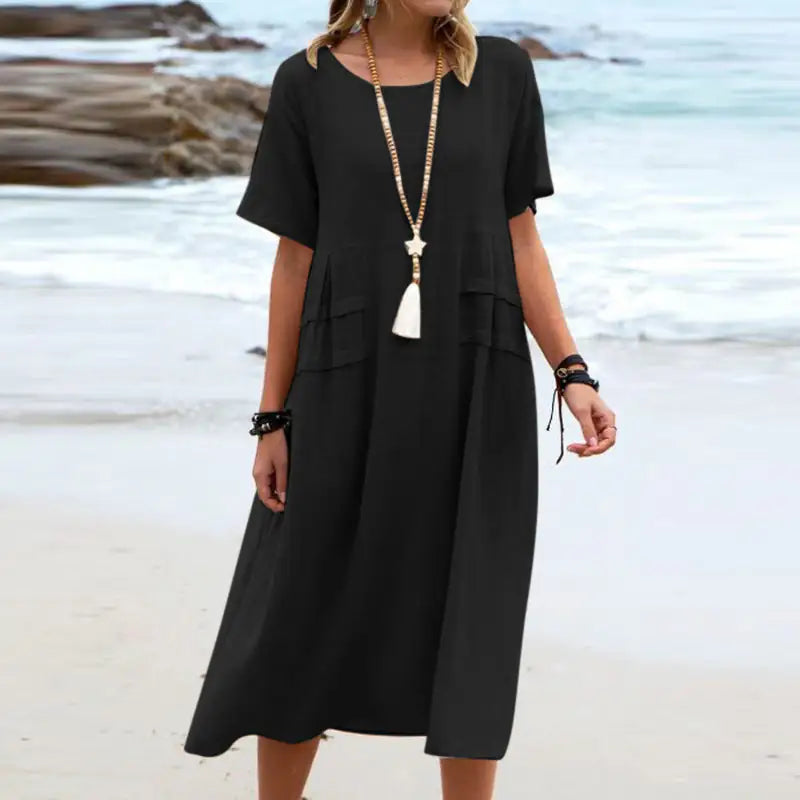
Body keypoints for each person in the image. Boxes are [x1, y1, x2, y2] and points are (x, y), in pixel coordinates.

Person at [184, 1, 617, 797]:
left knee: (471, 606)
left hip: (475, 380)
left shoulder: (503, 73)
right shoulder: (307, 82)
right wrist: (272, 416)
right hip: (343, 377)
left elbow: (521, 236)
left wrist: (572, 370)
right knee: (301, 608)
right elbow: (293, 260)